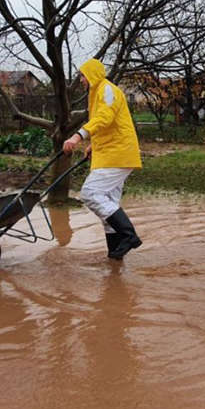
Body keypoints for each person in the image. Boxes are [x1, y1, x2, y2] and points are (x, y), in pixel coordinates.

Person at [62, 58, 142, 260]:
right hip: (109, 153)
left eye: (82, 75)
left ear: (92, 75)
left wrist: (78, 136)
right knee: (108, 203)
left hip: (118, 153)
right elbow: (106, 126)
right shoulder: (96, 93)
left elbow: (105, 117)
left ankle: (129, 234)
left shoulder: (107, 89)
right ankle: (115, 254)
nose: (81, 80)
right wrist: (92, 145)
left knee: (90, 194)